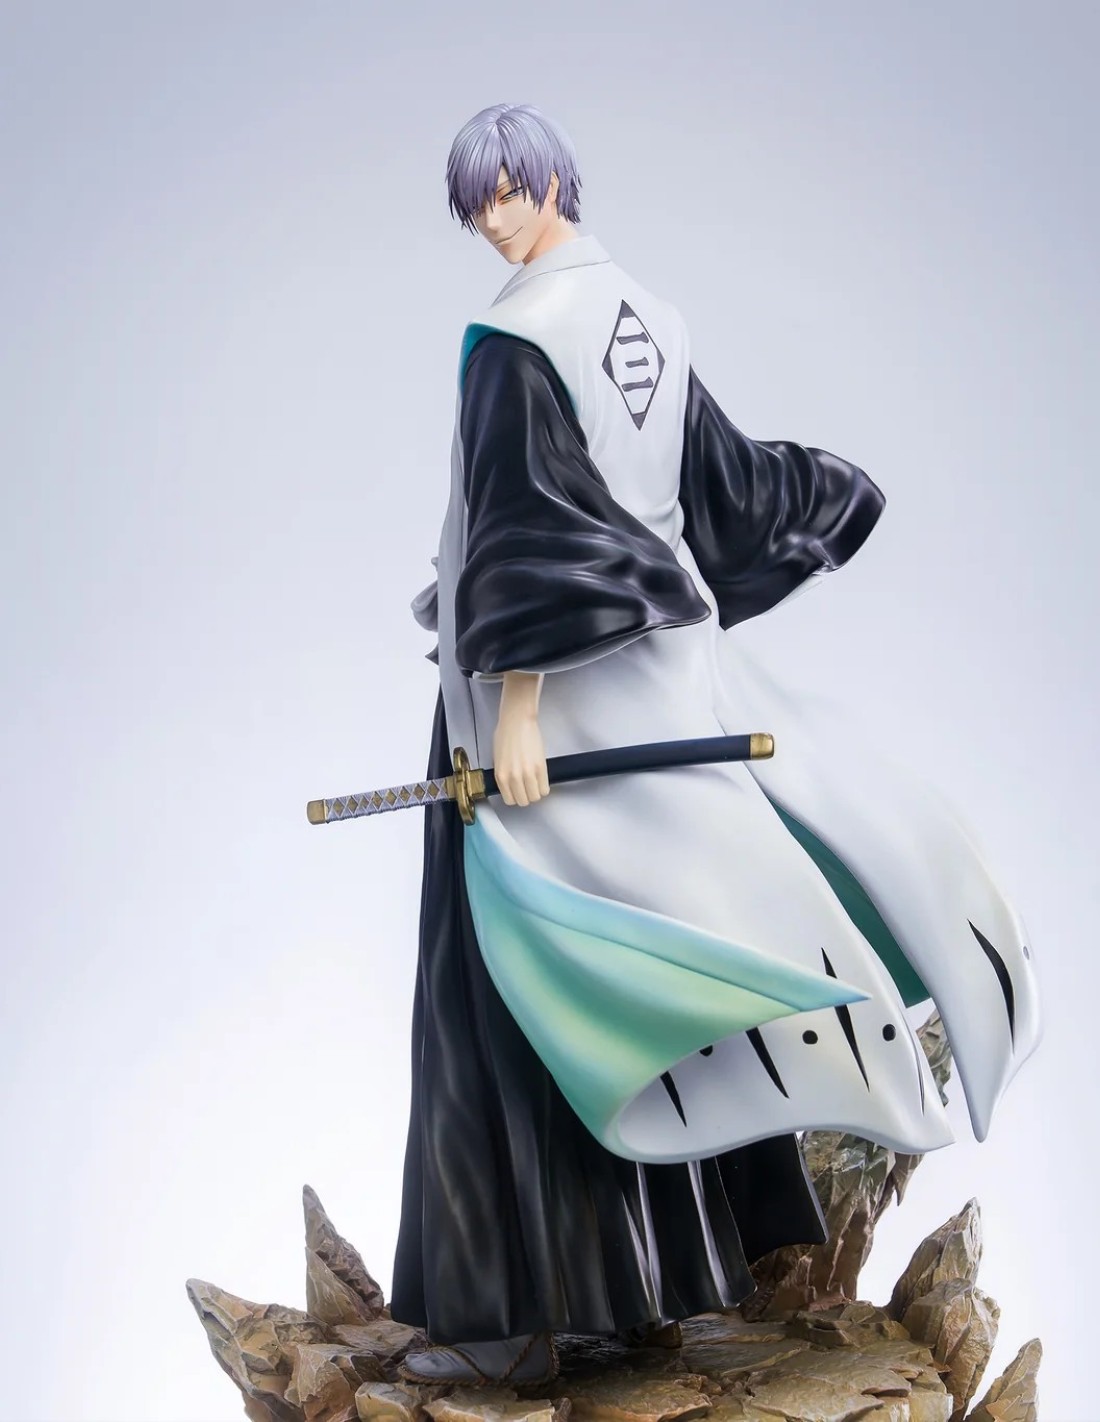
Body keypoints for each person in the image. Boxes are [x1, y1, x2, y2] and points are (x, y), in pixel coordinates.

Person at [390, 104, 1040, 1386]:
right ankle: (669, 1278)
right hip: (666, 684)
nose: (494, 220)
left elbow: (531, 517)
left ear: (553, 182)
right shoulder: (647, 314)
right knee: (671, 943)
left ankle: (538, 1307)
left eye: (509, 192)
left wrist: (515, 702)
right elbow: (712, 494)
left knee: (532, 978)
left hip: (549, 706)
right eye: (477, 203)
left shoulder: (515, 340)